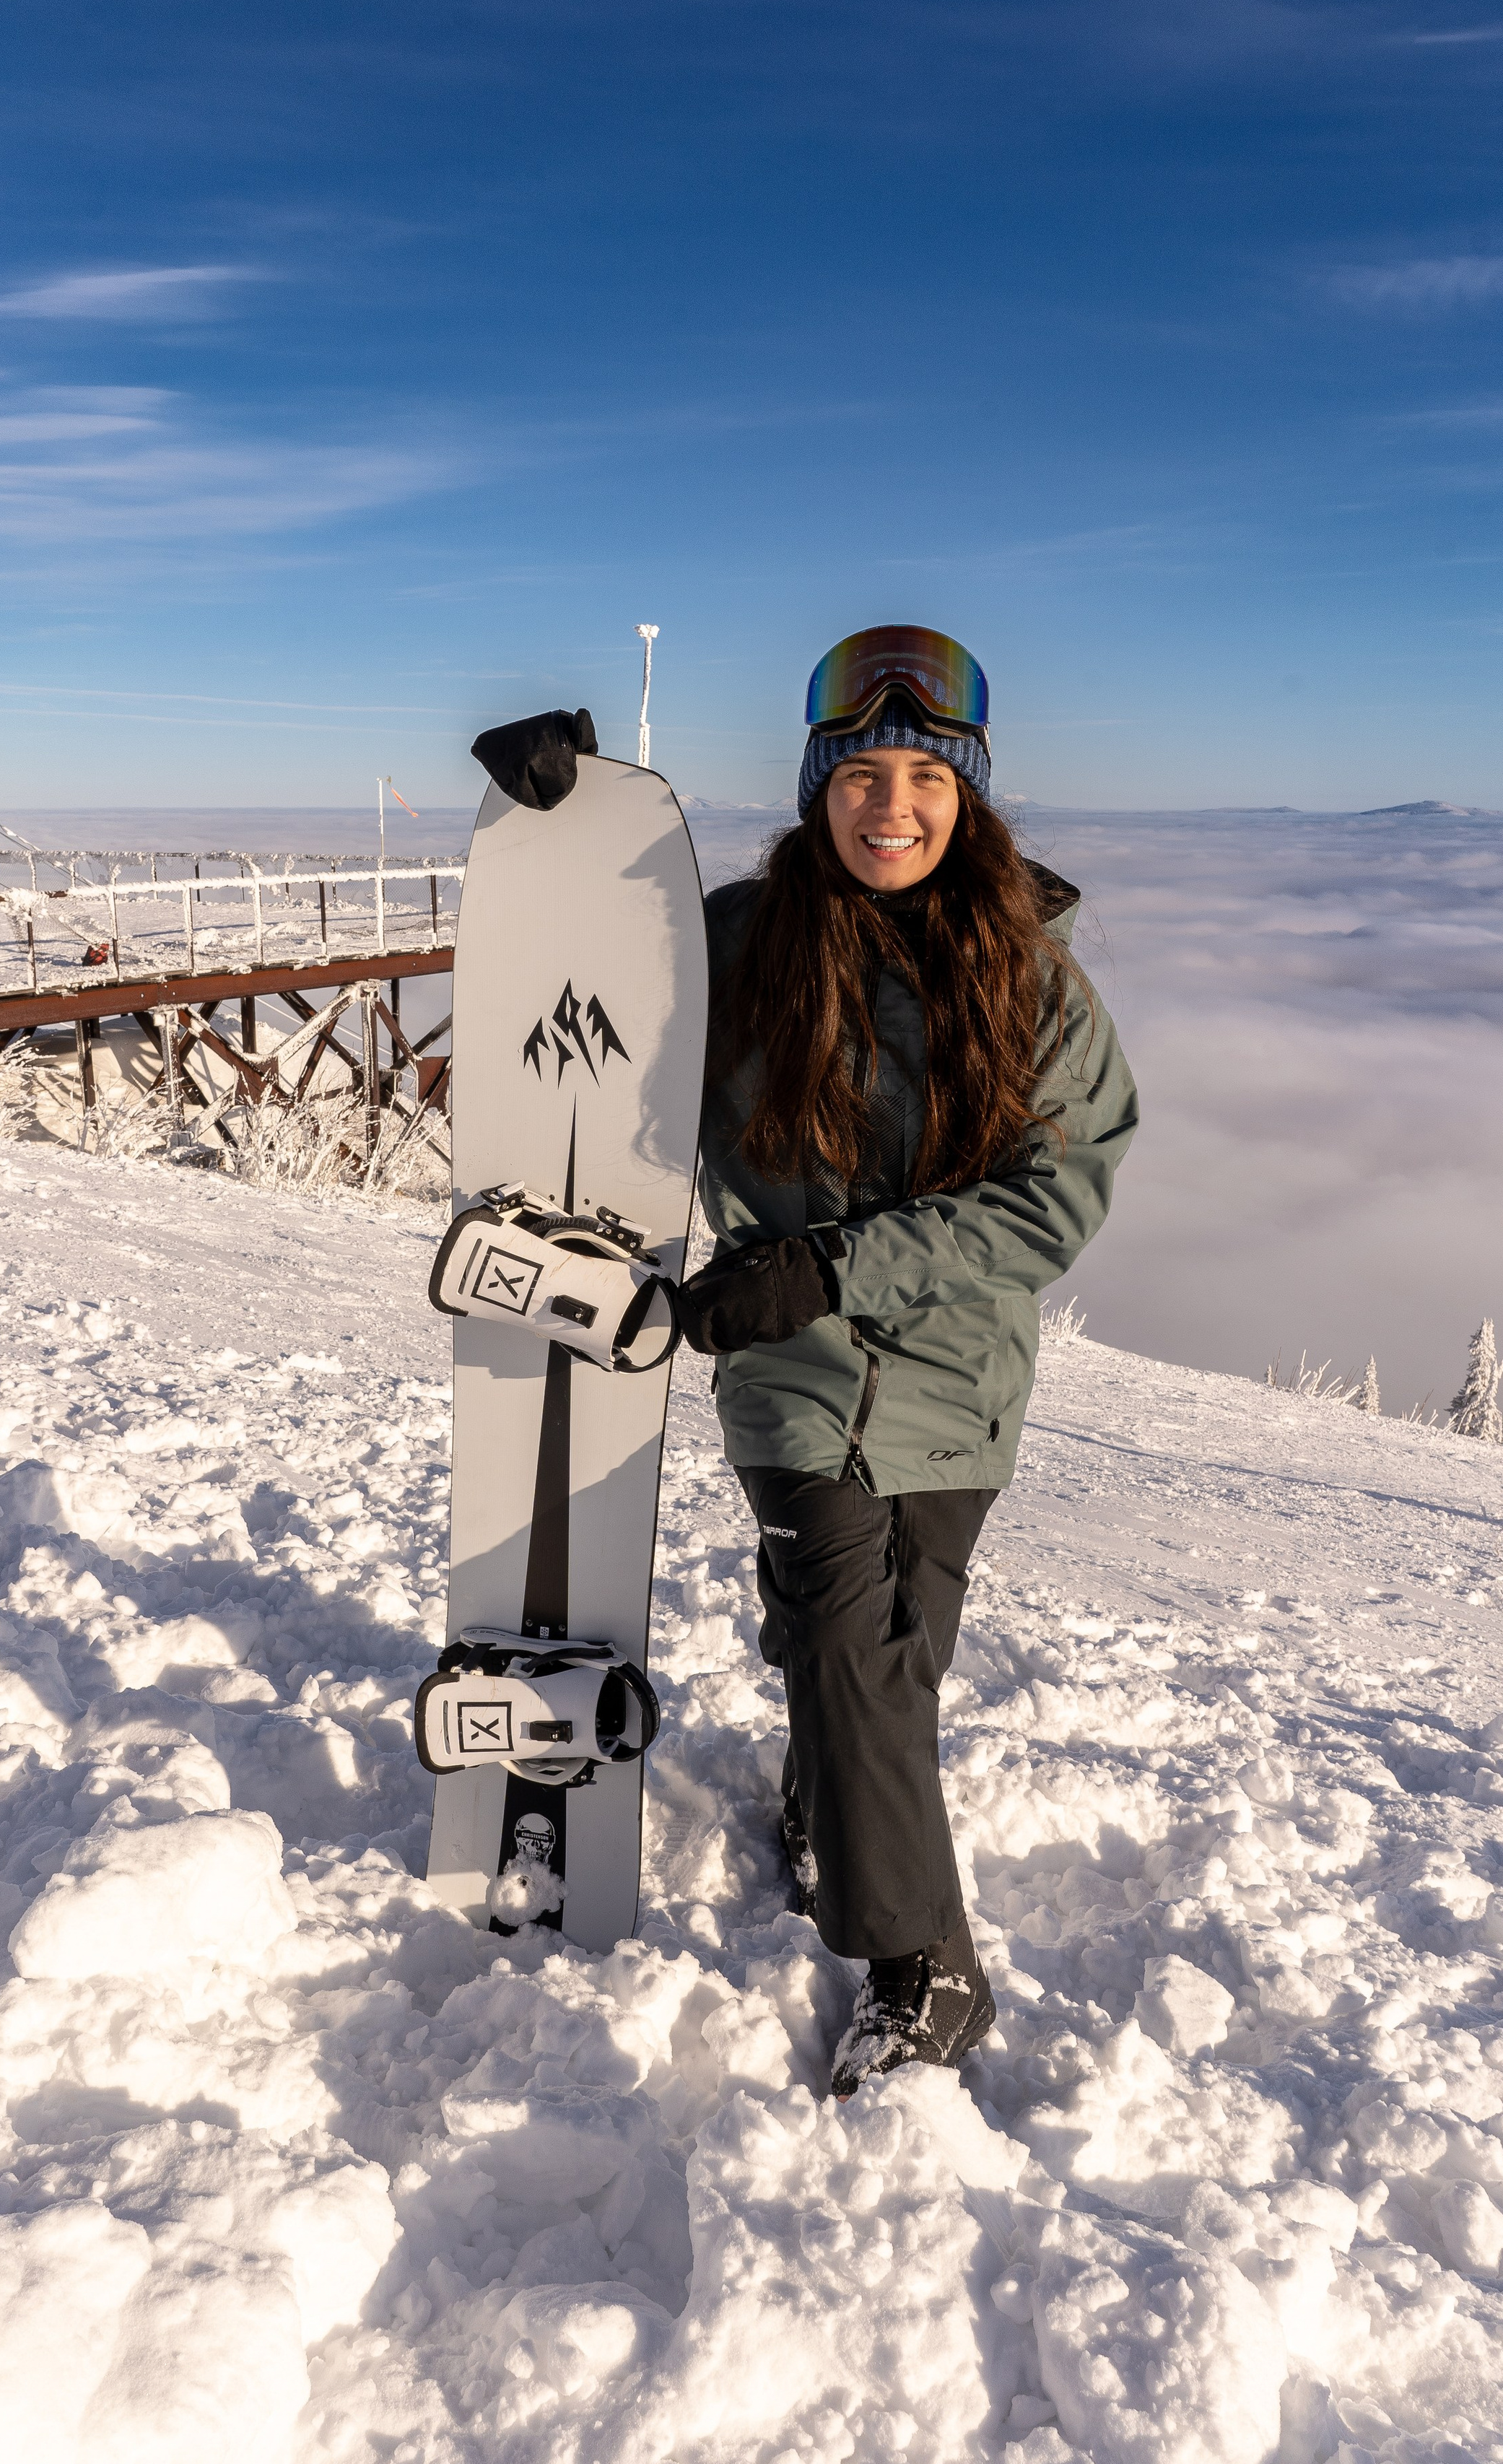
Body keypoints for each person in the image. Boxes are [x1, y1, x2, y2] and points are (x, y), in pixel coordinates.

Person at [469, 625, 1137, 2097]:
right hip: (788, 1371)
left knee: (888, 1661)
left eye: (918, 776)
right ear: (813, 786)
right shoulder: (738, 941)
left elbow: (1056, 1194)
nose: (885, 805)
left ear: (964, 796)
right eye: (856, 775)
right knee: (849, 1642)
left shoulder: (1027, 980)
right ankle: (927, 1964)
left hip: (955, 1380)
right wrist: (560, 817)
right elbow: (591, 993)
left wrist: (831, 1263)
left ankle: (824, 1796)